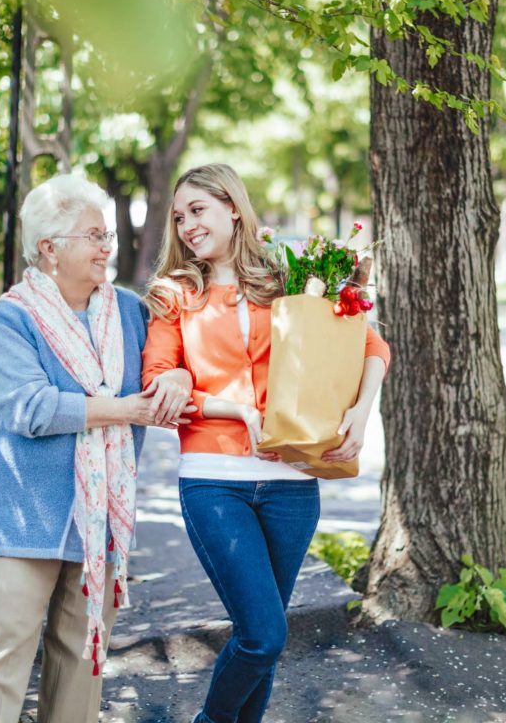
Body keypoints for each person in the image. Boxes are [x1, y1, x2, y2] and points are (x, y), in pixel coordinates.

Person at [141, 163, 390, 723]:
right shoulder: (174, 294)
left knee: (267, 641)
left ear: (233, 206)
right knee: (262, 635)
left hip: (294, 482)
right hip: (214, 480)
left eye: (197, 210)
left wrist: (361, 410)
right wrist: (235, 410)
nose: (187, 226)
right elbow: (158, 384)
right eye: (179, 217)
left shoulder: (292, 277)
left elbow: (370, 343)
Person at [0, 173, 193, 723]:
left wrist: (178, 376)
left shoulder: (131, 312)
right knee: (2, 656)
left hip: (101, 516)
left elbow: (175, 357)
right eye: (94, 236)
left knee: (83, 656)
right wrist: (128, 410)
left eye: (107, 235)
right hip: (27, 512)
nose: (107, 247)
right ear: (49, 248)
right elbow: (31, 408)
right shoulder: (11, 317)